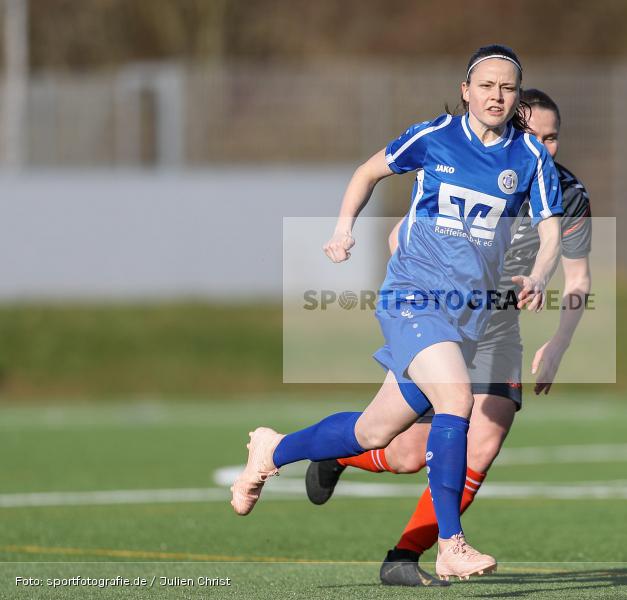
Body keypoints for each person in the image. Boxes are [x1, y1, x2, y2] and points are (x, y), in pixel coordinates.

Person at [230, 44, 563, 581]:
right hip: (413, 296)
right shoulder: (435, 136)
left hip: (467, 318)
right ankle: (450, 545)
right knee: (457, 399)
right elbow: (367, 173)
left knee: (373, 433)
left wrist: (543, 274)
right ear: (466, 91)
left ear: (517, 96)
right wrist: (343, 228)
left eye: (507, 88)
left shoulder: (531, 157)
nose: (496, 96)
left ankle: (274, 450)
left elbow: (550, 232)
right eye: (486, 86)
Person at [304, 88, 593, 587]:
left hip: (499, 329)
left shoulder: (568, 195)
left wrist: (558, 346)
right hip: (443, 320)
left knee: (483, 442)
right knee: (405, 453)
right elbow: (403, 235)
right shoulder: (479, 163)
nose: (543, 147)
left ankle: (405, 556)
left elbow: (579, 279)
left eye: (553, 138)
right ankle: (339, 452)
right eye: (534, 135)